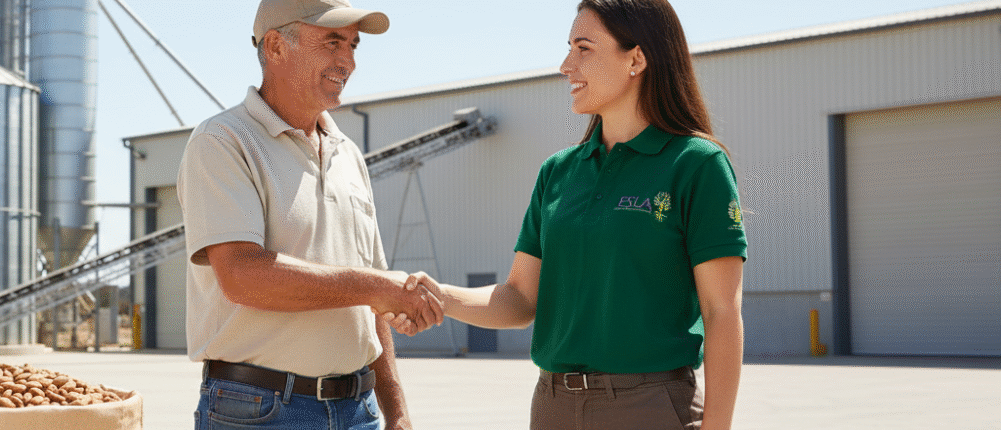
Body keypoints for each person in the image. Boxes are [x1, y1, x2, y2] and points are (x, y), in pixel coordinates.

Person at [389, 0, 747, 428]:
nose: (565, 65)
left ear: (636, 58)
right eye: (568, 48)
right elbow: (520, 299)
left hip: (649, 408)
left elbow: (721, 311)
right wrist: (440, 297)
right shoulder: (558, 172)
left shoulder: (696, 164)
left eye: (583, 48)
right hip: (552, 406)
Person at [175, 0, 445, 428]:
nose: (349, 61)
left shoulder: (348, 155)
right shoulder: (223, 142)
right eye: (333, 42)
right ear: (277, 46)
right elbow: (242, 276)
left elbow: (372, 302)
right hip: (261, 412)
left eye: (354, 45)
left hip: (360, 410)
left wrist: (397, 413)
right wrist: (378, 286)